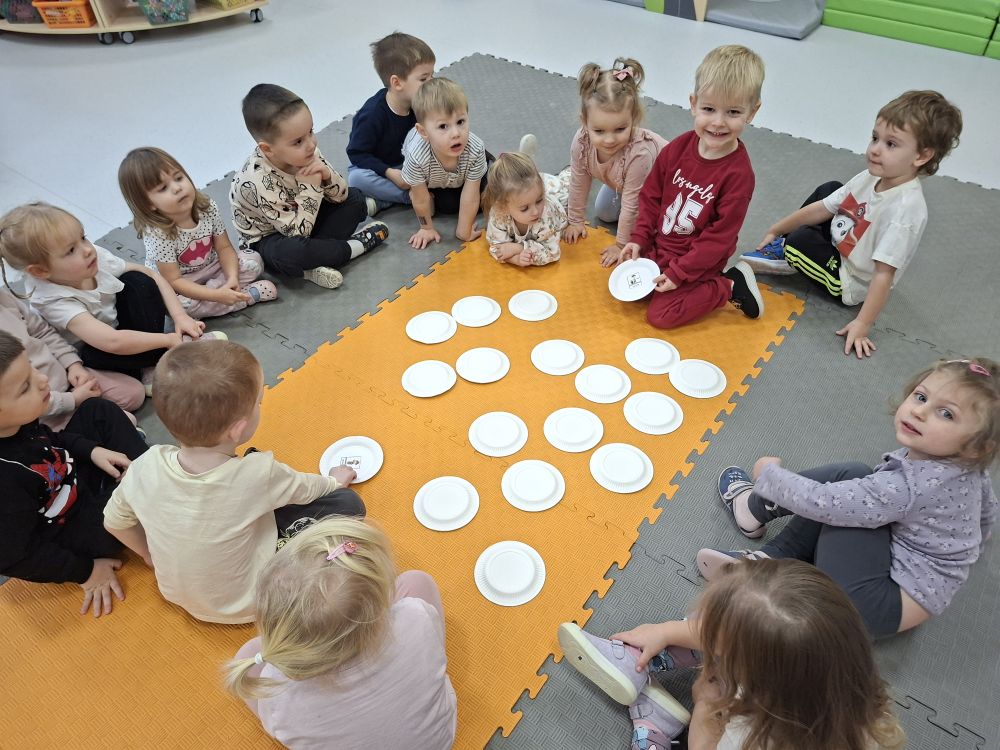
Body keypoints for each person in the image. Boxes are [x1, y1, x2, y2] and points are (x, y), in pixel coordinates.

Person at [710, 358, 998, 638]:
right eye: (921, 397)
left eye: (946, 414)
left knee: (846, 494)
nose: (920, 412)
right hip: (906, 595)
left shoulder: (908, 486)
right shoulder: (972, 467)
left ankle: (752, 511)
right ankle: (774, 555)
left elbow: (822, 502)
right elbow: (988, 514)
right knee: (856, 484)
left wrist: (769, 477)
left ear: (977, 445)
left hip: (867, 606)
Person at [102, 340, 364, 624]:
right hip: (254, 600)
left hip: (177, 593)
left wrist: (147, 554)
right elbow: (308, 489)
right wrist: (334, 480)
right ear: (238, 429)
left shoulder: (144, 466)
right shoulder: (258, 473)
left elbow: (113, 521)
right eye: (258, 403)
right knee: (347, 503)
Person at [558, 559, 906, 750]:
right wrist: (666, 631)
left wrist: (706, 706)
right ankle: (651, 659)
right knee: (743, 623)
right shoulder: (834, 672)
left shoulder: (746, 738)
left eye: (715, 660)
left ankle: (659, 733)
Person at [740, 90, 963, 358]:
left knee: (799, 241)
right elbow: (823, 207)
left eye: (891, 144)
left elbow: (883, 275)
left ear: (921, 156)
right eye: (875, 138)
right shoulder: (871, 176)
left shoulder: (905, 212)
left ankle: (789, 253)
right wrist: (777, 229)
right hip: (844, 242)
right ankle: (784, 246)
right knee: (830, 189)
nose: (875, 149)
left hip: (848, 279)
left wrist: (863, 324)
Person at [225, 517, 457, 749]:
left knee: (248, 654)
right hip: (439, 741)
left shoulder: (278, 693)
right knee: (417, 581)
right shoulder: (416, 617)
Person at [0, 330, 148, 618]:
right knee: (123, 515)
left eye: (31, 367)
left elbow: (52, 441)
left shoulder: (18, 420)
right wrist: (86, 571)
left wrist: (92, 451)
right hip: (68, 528)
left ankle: (149, 477)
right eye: (25, 386)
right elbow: (15, 557)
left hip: (71, 480)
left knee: (97, 410)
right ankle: (149, 485)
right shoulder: (5, 482)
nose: (43, 380)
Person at [619, 45, 766, 329]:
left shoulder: (739, 175)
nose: (718, 122)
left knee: (660, 316)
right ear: (693, 103)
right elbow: (651, 198)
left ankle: (728, 286)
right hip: (661, 247)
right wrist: (639, 240)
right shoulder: (677, 149)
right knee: (629, 287)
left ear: (752, 112)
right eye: (709, 109)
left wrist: (680, 273)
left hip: (699, 261)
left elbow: (718, 239)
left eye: (733, 112)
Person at [0, 202, 216, 393]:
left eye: (83, 237)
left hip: (119, 328)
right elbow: (112, 342)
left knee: (137, 281)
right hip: (101, 350)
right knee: (95, 356)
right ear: (40, 271)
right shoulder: (51, 299)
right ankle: (157, 360)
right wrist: (168, 340)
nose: (87, 250)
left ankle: (156, 355)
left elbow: (150, 274)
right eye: (71, 250)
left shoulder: (90, 255)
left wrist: (180, 316)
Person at [229, 84, 389, 290]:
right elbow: (297, 233)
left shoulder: (307, 151)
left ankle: (316, 261)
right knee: (291, 253)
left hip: (306, 217)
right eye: (298, 141)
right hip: (271, 236)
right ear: (268, 149)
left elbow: (340, 197)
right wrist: (312, 189)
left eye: (311, 131)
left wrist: (327, 177)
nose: (311, 144)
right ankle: (354, 246)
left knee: (355, 200)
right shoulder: (257, 181)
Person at [118, 146, 277, 319]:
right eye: (163, 188)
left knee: (253, 260)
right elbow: (174, 280)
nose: (177, 188)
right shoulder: (158, 234)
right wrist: (216, 295)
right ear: (148, 204)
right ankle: (243, 298)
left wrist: (232, 278)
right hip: (183, 282)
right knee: (177, 304)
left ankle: (223, 296)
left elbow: (224, 248)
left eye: (179, 178)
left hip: (213, 266)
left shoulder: (207, 207)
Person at [562, 58, 668, 267]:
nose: (609, 140)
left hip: (664, 190)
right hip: (623, 181)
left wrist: (621, 244)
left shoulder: (640, 154)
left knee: (657, 236)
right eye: (599, 131)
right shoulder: (581, 141)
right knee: (604, 213)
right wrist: (575, 220)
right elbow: (578, 181)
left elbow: (632, 204)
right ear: (585, 122)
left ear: (633, 119)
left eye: (620, 129)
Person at [0, 285, 144, 430]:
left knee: (134, 394)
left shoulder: (5, 297)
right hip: (41, 410)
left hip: (64, 379)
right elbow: (19, 403)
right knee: (125, 421)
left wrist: (73, 365)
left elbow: (43, 332)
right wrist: (72, 400)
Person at [347, 31, 435, 212]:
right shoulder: (372, 115)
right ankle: (410, 197)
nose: (431, 83)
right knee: (356, 178)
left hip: (412, 163)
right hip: (383, 169)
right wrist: (390, 173)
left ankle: (382, 201)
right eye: (424, 79)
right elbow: (357, 154)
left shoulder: (422, 102)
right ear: (397, 83)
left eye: (432, 76)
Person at [401, 77, 490, 249]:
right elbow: (420, 199)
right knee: (446, 206)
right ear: (423, 132)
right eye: (443, 126)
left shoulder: (475, 147)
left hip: (462, 173)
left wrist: (464, 230)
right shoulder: (416, 157)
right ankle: (413, 186)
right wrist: (426, 228)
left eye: (460, 122)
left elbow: (471, 194)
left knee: (492, 191)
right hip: (432, 179)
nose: (456, 133)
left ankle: (500, 164)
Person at [483, 151, 569, 267]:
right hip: (536, 191)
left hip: (559, 197)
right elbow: (497, 248)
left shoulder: (546, 214)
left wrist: (519, 247)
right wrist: (516, 259)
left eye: (539, 201)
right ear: (503, 208)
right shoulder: (498, 214)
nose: (535, 212)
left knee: (567, 182)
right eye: (524, 209)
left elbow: (552, 252)